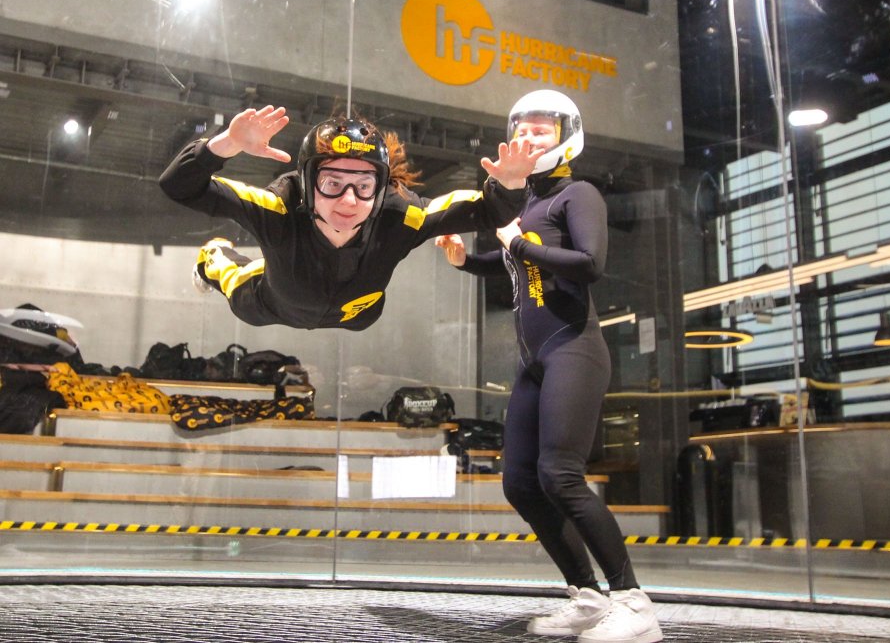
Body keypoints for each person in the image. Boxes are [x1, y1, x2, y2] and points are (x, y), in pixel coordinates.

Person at [435, 90, 663, 643]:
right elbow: (512, 262)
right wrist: (468, 259)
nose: (532, 137)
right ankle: (585, 597)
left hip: (574, 351)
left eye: (543, 129)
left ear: (566, 136)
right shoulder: (524, 207)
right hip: (535, 362)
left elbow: (588, 265)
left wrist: (519, 243)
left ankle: (634, 604)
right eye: (525, 129)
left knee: (560, 475)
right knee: (519, 481)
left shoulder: (578, 194)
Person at [159, 105, 539, 330]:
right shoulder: (277, 212)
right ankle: (213, 255)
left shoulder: (405, 216)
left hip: (356, 315)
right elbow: (179, 186)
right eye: (332, 183)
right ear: (307, 183)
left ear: (381, 186)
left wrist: (510, 181)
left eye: (364, 185)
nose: (349, 200)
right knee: (233, 277)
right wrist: (226, 144)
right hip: (271, 303)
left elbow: (492, 212)